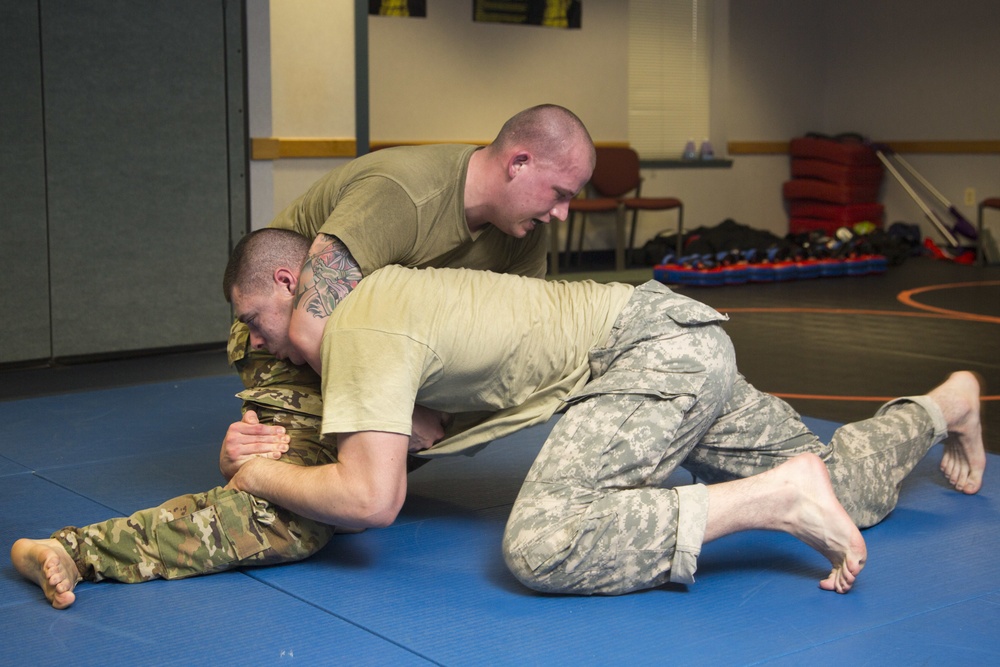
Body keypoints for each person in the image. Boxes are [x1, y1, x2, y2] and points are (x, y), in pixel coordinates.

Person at [13, 229, 986, 607]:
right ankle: (945, 403)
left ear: (287, 282)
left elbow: (371, 494)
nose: (260, 346)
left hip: (646, 355)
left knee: (546, 539)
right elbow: (418, 440)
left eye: (256, 321)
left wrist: (259, 471)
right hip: (672, 334)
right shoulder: (385, 307)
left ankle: (770, 498)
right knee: (855, 492)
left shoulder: (358, 326)